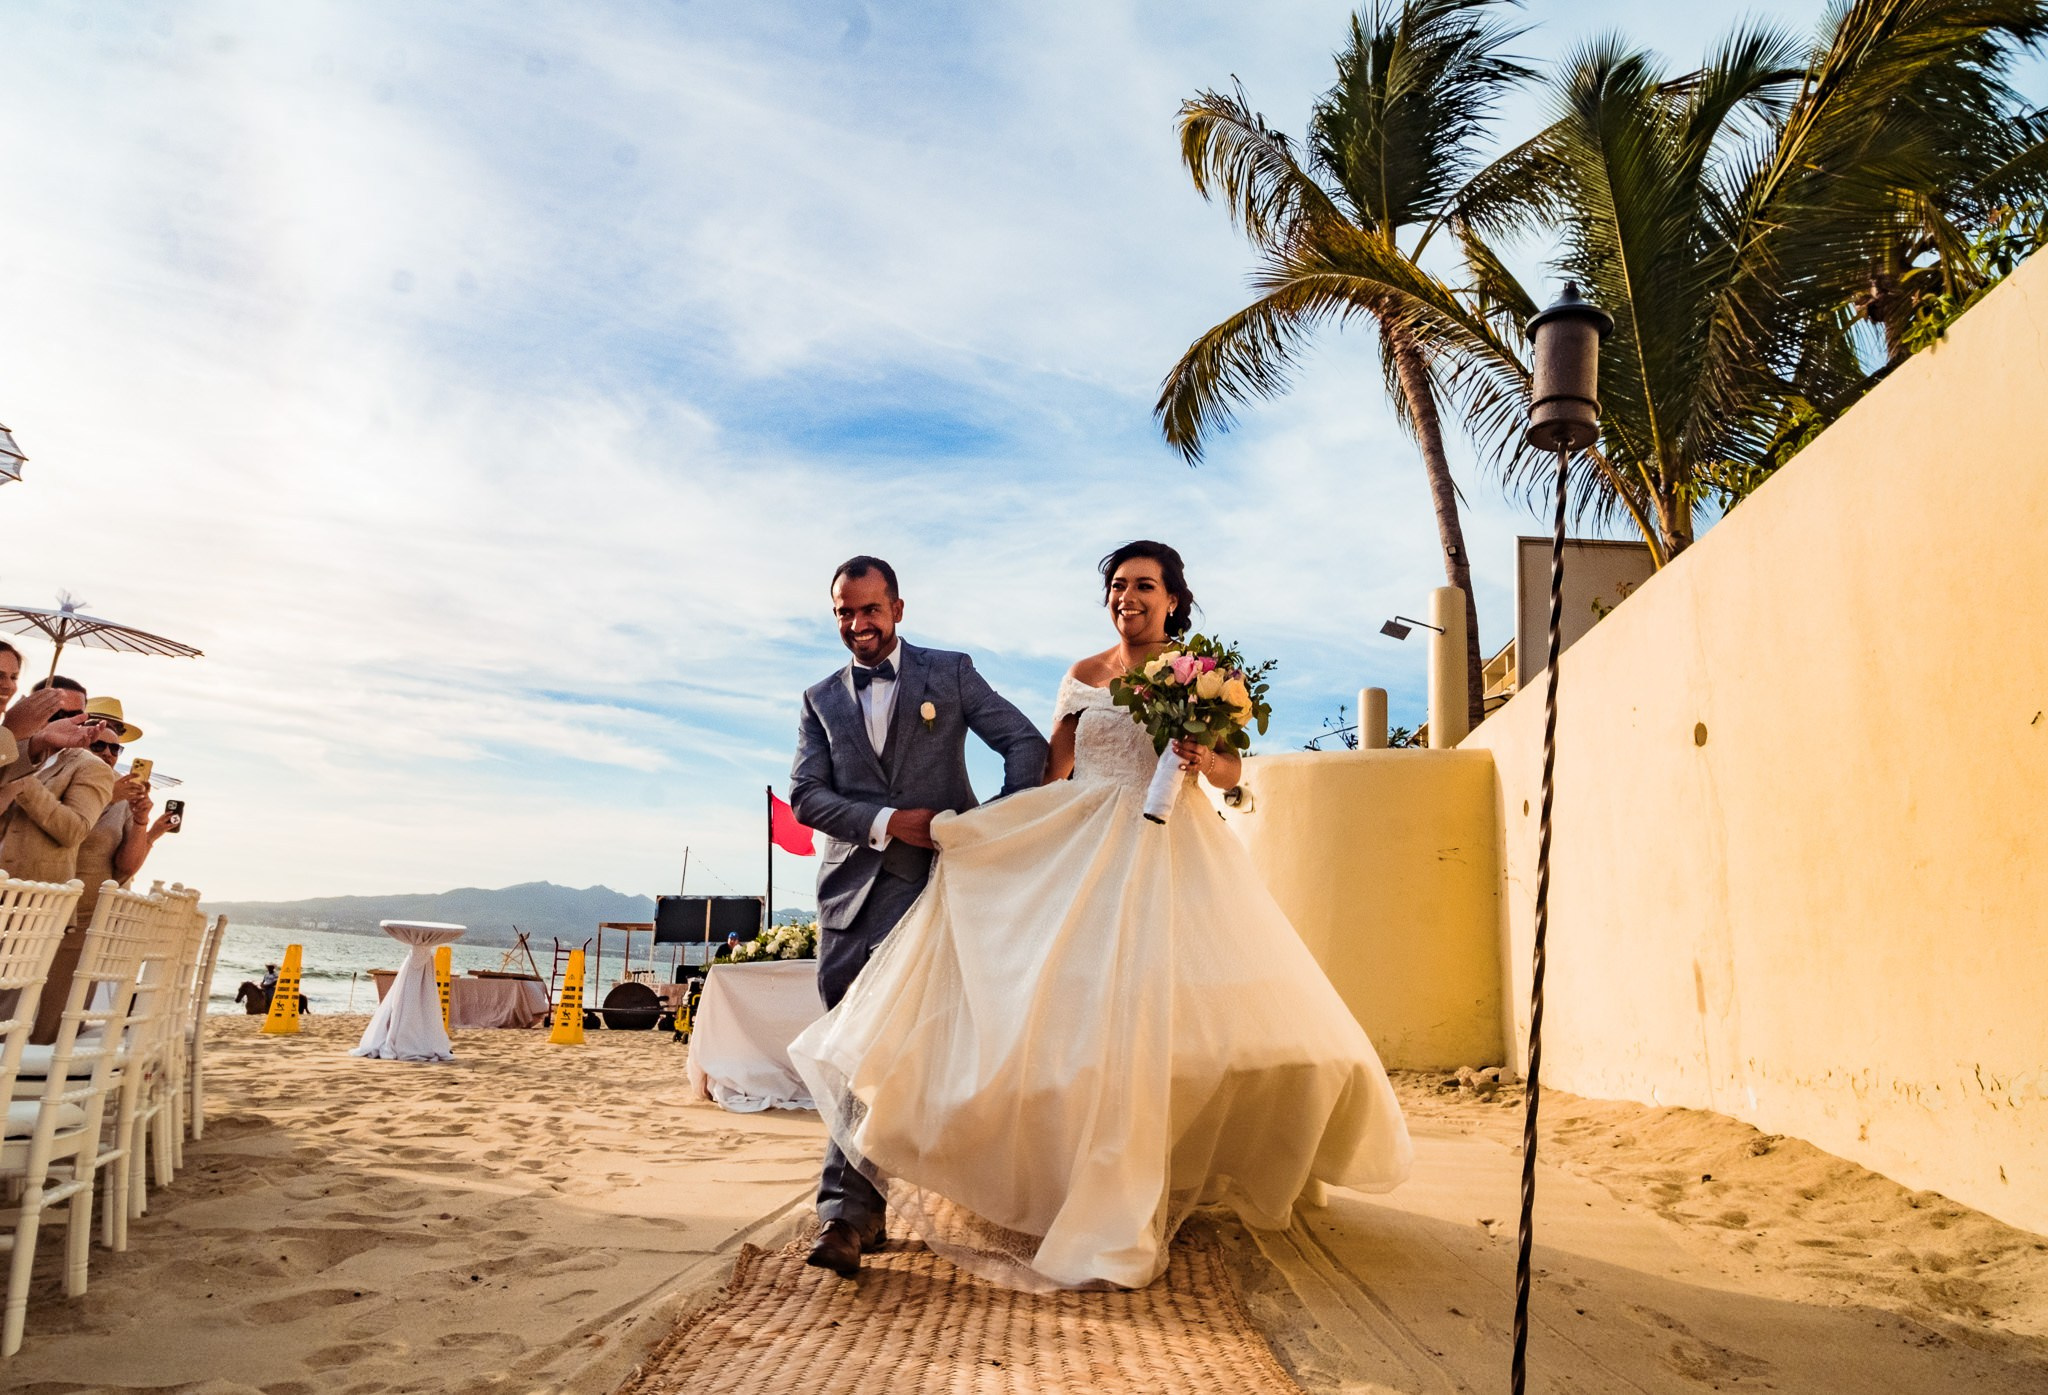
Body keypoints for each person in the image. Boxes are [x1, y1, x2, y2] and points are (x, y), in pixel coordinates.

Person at [789, 541, 1412, 1291]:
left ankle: (1143, 1175)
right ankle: (893, 1200)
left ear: (1174, 598)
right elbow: (1053, 763)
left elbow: (1226, 769)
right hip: (1060, 849)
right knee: (1039, 1026)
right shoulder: (1080, 676)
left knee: (1160, 1024)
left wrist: (1197, 756)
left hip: (1170, 850)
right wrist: (999, 833)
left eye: (1145, 586)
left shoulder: (1205, 676)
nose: (1129, 596)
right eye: (1119, 585)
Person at [788, 555, 1049, 1278]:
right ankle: (861, 1212)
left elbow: (1026, 744)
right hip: (846, 901)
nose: (857, 625)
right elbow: (806, 795)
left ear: (898, 608)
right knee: (850, 1054)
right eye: (843, 611)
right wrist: (884, 821)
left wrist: (985, 830)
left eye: (869, 609)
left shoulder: (950, 673)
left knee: (894, 1050)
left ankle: (843, 1213)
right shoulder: (818, 699)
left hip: (935, 893)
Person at [29, 697, 167, 1043]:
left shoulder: (115, 787)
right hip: (40, 914)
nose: (108, 754)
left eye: (116, 748)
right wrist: (109, 796)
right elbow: (55, 829)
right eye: (101, 742)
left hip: (86, 923)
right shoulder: (54, 772)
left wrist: (141, 821)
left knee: (57, 1025)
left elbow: (127, 865)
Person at [0, 675, 115, 886]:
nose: (64, 721)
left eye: (75, 715)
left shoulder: (90, 766)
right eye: (56, 714)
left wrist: (24, 778)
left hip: (35, 901)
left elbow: (74, 832)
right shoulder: (7, 751)